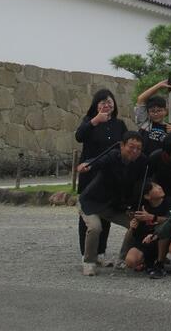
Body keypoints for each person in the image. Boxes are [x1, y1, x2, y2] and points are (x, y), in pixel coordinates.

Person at [76, 130, 148, 276]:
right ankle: (89, 261)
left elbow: (139, 187)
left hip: (114, 205)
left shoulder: (142, 162)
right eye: (131, 147)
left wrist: (133, 208)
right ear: (122, 146)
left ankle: (122, 259)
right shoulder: (113, 156)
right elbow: (98, 161)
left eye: (138, 148)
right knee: (95, 227)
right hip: (91, 201)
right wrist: (87, 165)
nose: (135, 151)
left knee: (135, 224)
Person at [74, 88, 127, 264]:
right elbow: (79, 136)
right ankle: (86, 253)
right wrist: (95, 120)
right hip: (90, 174)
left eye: (109, 101)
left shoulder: (119, 124)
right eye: (103, 102)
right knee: (88, 215)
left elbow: (124, 146)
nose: (107, 105)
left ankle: (101, 252)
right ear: (96, 105)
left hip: (109, 176)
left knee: (105, 215)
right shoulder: (89, 121)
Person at [124, 181, 171, 279]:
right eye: (154, 187)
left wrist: (152, 217)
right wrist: (133, 226)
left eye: (158, 185)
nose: (159, 187)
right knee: (130, 261)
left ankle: (160, 263)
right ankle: (146, 262)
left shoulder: (169, 201)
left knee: (164, 227)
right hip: (145, 241)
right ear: (147, 196)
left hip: (162, 240)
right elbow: (135, 234)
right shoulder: (142, 207)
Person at [135, 79, 171, 155]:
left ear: (166, 111)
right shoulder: (144, 123)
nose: (156, 114)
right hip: (144, 160)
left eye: (159, 110)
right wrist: (159, 85)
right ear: (148, 112)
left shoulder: (169, 128)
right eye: (152, 111)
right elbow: (141, 99)